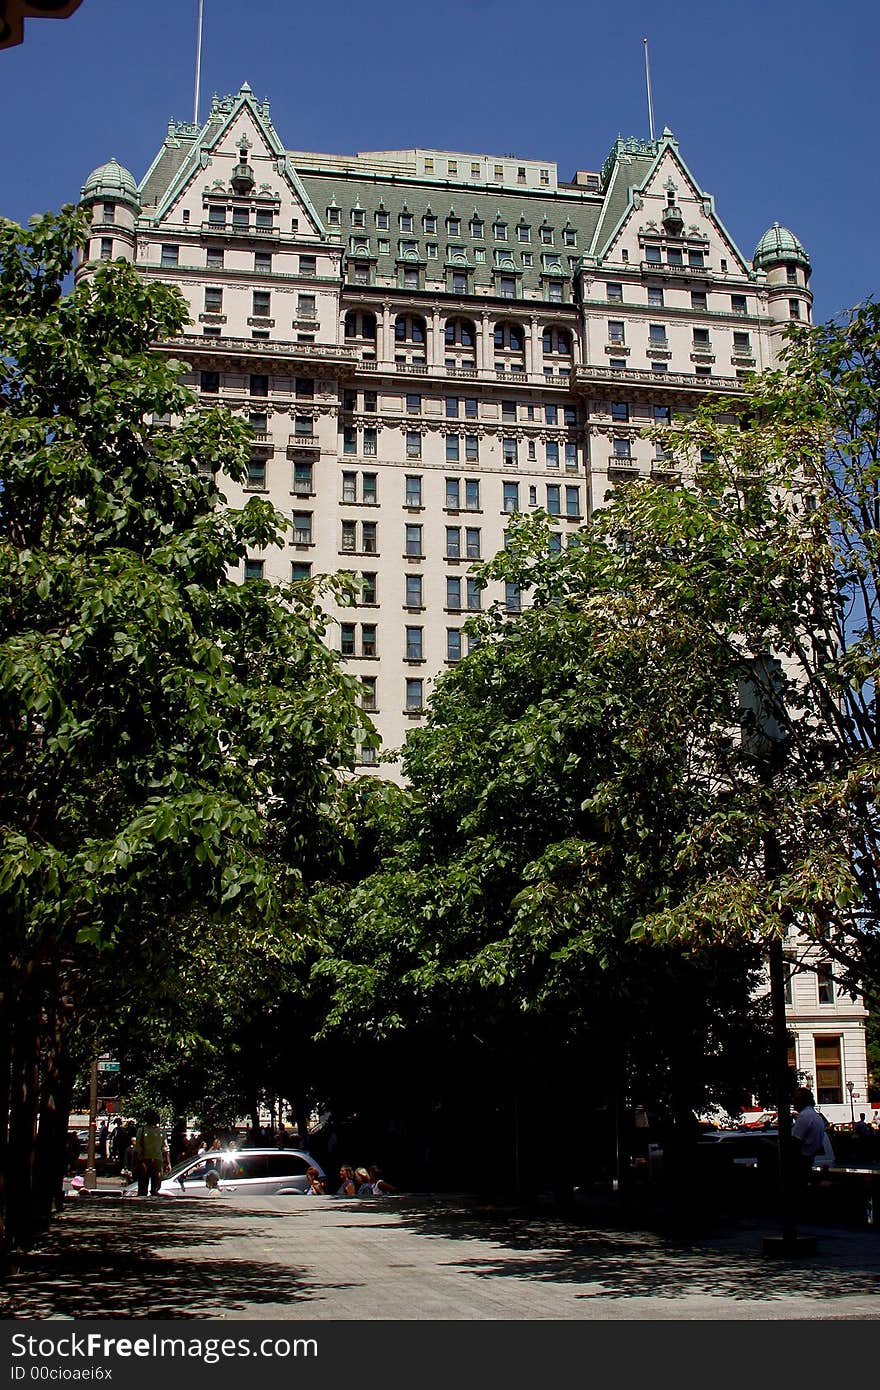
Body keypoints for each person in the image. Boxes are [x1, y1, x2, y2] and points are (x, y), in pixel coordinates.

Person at [792, 1088, 828, 1182]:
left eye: (796, 1099)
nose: (794, 1102)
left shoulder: (804, 1116)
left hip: (801, 1163)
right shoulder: (816, 1116)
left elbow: (795, 1141)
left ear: (803, 1100)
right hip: (809, 1159)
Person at [135, 1109, 171, 1196]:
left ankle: (142, 1203)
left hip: (144, 1160)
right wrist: (168, 1163)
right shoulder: (161, 1132)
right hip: (157, 1161)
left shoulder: (141, 1130)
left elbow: (138, 1148)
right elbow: (165, 1149)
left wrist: (136, 1161)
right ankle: (153, 1201)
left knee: (143, 1185)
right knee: (156, 1185)